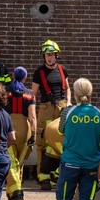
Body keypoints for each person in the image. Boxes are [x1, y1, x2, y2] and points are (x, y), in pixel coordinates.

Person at [42, 78, 100, 200]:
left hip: (69, 164)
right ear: (91, 93)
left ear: (75, 94)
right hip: (91, 166)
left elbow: (60, 131)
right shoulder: (99, 113)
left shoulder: (68, 112)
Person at [31, 40, 71, 190]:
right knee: (43, 142)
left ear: (57, 55)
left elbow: (67, 88)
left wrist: (68, 102)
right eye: (47, 55)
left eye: (52, 55)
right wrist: (32, 112)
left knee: (60, 141)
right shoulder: (38, 73)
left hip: (61, 109)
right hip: (46, 108)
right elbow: (33, 94)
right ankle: (43, 176)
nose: (49, 58)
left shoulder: (62, 70)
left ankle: (56, 175)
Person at [3, 67, 36, 200]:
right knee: (19, 162)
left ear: (12, 76)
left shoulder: (4, 92)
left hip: (7, 127)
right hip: (24, 129)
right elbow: (33, 116)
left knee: (11, 161)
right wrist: (33, 134)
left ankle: (15, 192)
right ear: (25, 78)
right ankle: (14, 191)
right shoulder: (29, 94)